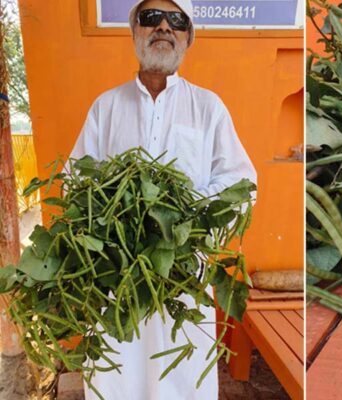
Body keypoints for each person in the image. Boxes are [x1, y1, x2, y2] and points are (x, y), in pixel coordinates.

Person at [69, 0, 257, 398]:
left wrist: (184, 214)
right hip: (115, 275)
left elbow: (240, 181)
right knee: (115, 371)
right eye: (152, 18)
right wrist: (114, 215)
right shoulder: (106, 107)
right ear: (134, 30)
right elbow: (75, 179)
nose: (164, 28)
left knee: (182, 375)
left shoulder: (208, 108)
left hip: (183, 274)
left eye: (177, 21)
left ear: (189, 36)